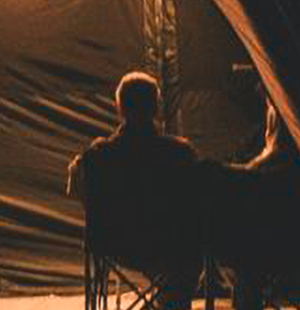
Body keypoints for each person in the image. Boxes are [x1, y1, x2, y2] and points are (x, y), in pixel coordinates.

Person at [68, 71, 204, 294]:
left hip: (116, 243)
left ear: (120, 108)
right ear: (156, 108)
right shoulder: (180, 153)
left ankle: (167, 288)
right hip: (171, 242)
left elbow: (81, 194)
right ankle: (173, 287)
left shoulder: (98, 156)